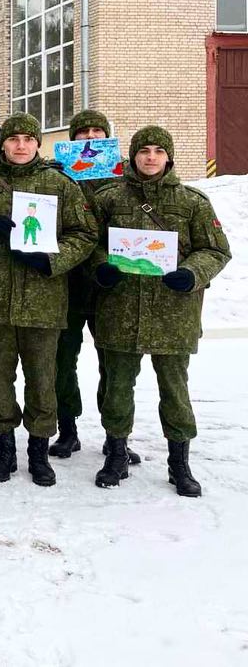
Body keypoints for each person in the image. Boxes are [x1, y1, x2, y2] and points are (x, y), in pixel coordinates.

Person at [0, 113, 97, 487]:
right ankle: (4, 448)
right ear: (3, 145)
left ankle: (38, 449)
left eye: (27, 140)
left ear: (37, 144)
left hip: (43, 299)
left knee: (42, 379)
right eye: (13, 139)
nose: (19, 145)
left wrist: (53, 259)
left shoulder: (59, 184)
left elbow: (84, 233)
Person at [90, 126, 231, 495]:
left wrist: (191, 274)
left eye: (158, 151)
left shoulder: (191, 202)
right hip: (120, 309)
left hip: (173, 313)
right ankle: (116, 453)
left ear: (168, 157)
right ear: (133, 156)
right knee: (117, 388)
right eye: (144, 151)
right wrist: (101, 266)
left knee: (175, 389)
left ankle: (179, 462)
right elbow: (89, 242)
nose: (150, 157)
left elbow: (215, 250)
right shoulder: (110, 199)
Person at [48, 109, 125, 461]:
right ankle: (68, 429)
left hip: (112, 284)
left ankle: (116, 434)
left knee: (114, 364)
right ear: (72, 138)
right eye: (83, 132)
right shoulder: (56, 172)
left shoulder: (127, 177)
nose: (90, 137)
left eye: (97, 131)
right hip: (64, 283)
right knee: (63, 361)